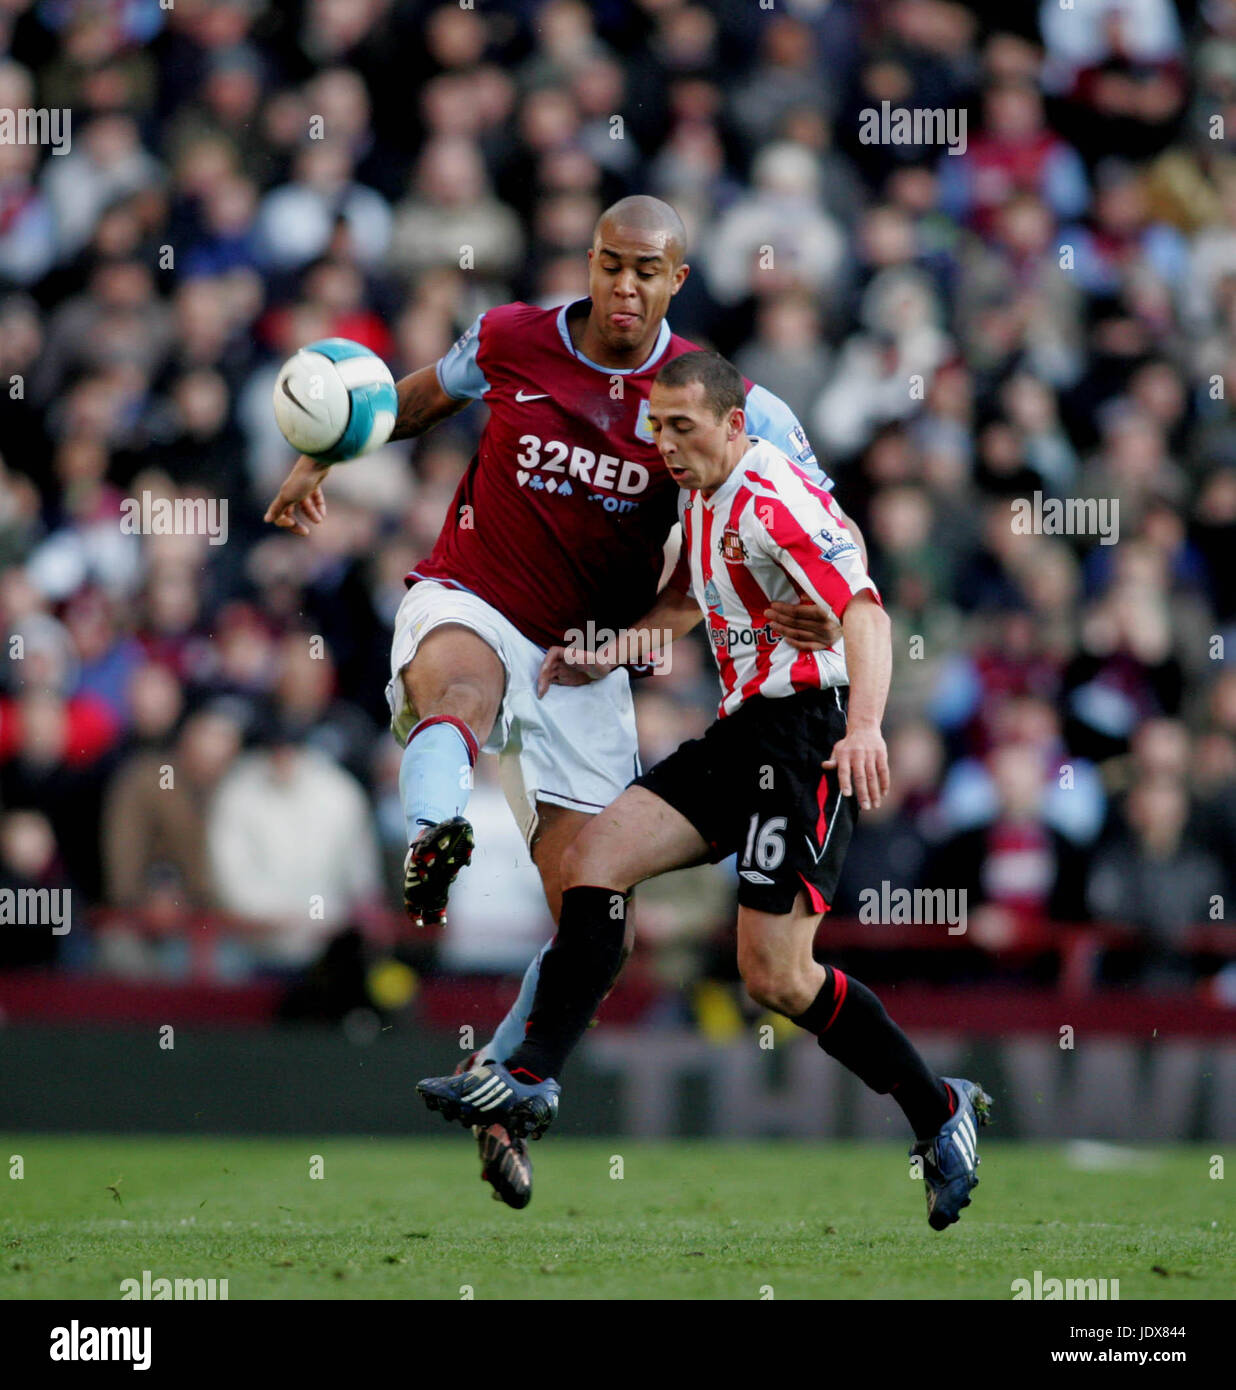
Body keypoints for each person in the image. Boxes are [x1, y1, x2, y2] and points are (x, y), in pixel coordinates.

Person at [265, 195, 859, 1208]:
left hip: (582, 661)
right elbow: (414, 398)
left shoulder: (726, 404)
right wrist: (322, 452)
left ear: (678, 280)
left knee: (595, 904)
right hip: (476, 593)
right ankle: (436, 827)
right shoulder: (512, 337)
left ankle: (503, 1087)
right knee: (456, 686)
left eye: (647, 271)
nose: (624, 286)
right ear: (588, 261)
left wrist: (658, 637)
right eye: (609, 263)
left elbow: (798, 541)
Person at [416, 351, 991, 1231]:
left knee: (776, 975)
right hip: (741, 731)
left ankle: (936, 1110)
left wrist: (867, 724)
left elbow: (867, 609)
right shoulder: (697, 494)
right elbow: (686, 604)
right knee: (595, 859)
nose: (664, 445)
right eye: (656, 427)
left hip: (807, 735)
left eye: (681, 428)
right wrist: (610, 651)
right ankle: (529, 1077)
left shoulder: (772, 496)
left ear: (732, 424)